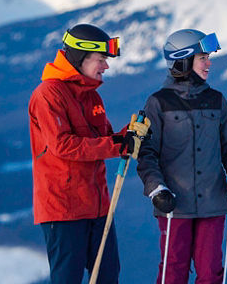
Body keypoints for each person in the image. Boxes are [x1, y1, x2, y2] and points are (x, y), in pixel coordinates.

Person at [29, 23, 150, 284]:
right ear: (79, 56)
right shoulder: (48, 94)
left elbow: (105, 140)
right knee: (67, 279)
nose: (106, 66)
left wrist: (130, 134)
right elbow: (63, 145)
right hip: (63, 208)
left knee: (108, 276)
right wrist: (118, 144)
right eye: (101, 59)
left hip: (97, 205)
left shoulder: (92, 97)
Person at [137, 29, 227, 284]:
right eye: (203, 58)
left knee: (210, 273)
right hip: (174, 203)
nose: (209, 63)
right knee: (173, 272)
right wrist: (157, 189)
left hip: (213, 200)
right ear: (183, 60)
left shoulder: (217, 100)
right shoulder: (159, 102)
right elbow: (147, 153)